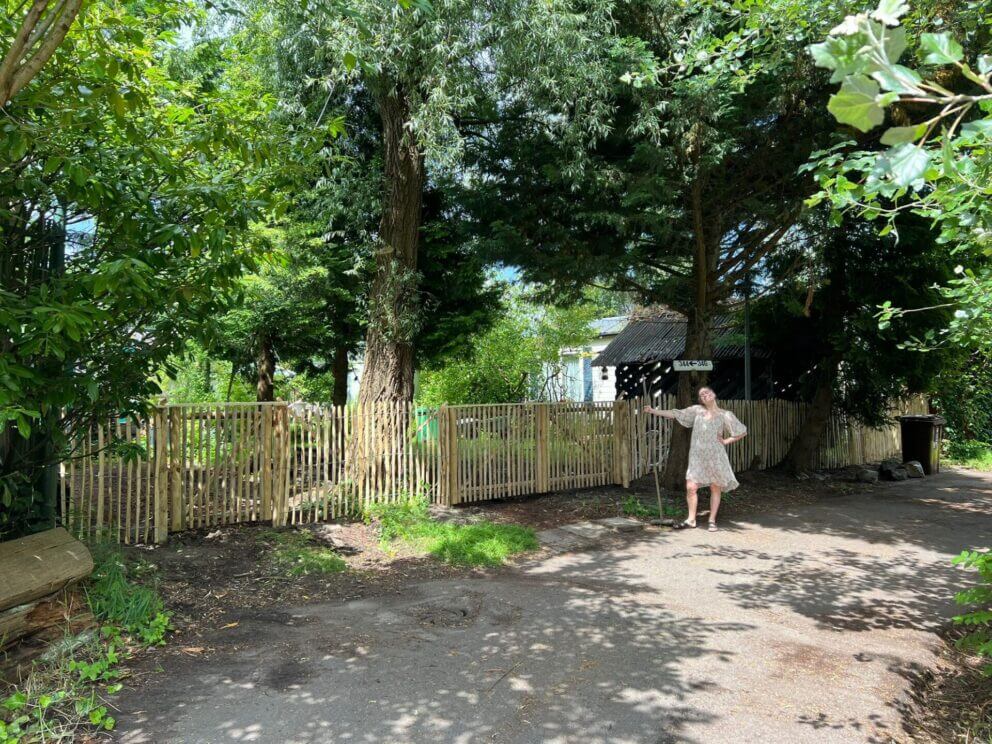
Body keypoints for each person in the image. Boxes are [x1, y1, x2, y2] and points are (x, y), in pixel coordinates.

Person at [643, 386, 747, 532]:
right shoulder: (697, 411)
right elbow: (675, 413)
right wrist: (653, 410)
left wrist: (726, 441)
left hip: (716, 456)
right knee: (691, 487)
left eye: (707, 392)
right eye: (702, 394)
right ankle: (691, 519)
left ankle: (712, 520)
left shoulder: (725, 414)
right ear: (700, 400)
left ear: (714, 394)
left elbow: (742, 431)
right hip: (697, 456)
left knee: (715, 487)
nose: (705, 394)